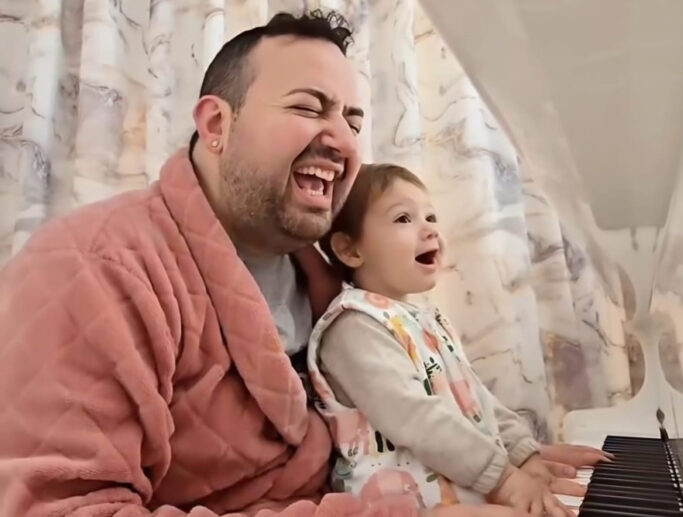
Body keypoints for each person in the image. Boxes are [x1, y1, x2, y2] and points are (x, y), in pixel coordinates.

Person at [0, 9, 607, 517]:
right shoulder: (90, 269)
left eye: (352, 120)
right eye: (309, 108)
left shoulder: (337, 287)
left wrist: (515, 457)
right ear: (216, 123)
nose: (342, 141)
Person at [307, 164, 603, 516]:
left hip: (459, 494)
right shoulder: (354, 326)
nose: (430, 229)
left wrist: (525, 455)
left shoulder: (426, 319)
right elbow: (416, 418)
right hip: (400, 506)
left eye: (430, 217)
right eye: (404, 218)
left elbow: (479, 401)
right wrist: (504, 479)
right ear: (350, 250)